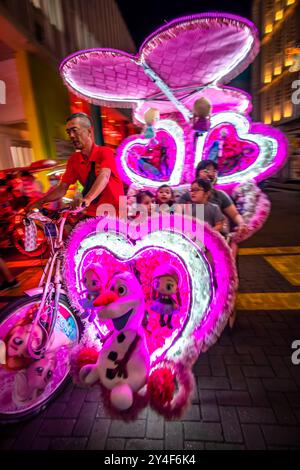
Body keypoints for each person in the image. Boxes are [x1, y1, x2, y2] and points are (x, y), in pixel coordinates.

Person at [27, 113, 124, 217]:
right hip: (93, 213)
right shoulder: (74, 160)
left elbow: (104, 176)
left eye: (75, 130)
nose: (71, 136)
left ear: (89, 131)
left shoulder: (105, 152)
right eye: (69, 132)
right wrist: (41, 201)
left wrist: (87, 199)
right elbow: (62, 188)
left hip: (116, 212)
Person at [179, 160, 248, 238]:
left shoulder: (220, 195)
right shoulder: (187, 196)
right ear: (197, 174)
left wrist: (242, 224)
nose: (211, 174)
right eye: (206, 170)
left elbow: (235, 215)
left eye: (214, 171)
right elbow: (174, 214)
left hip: (215, 237)